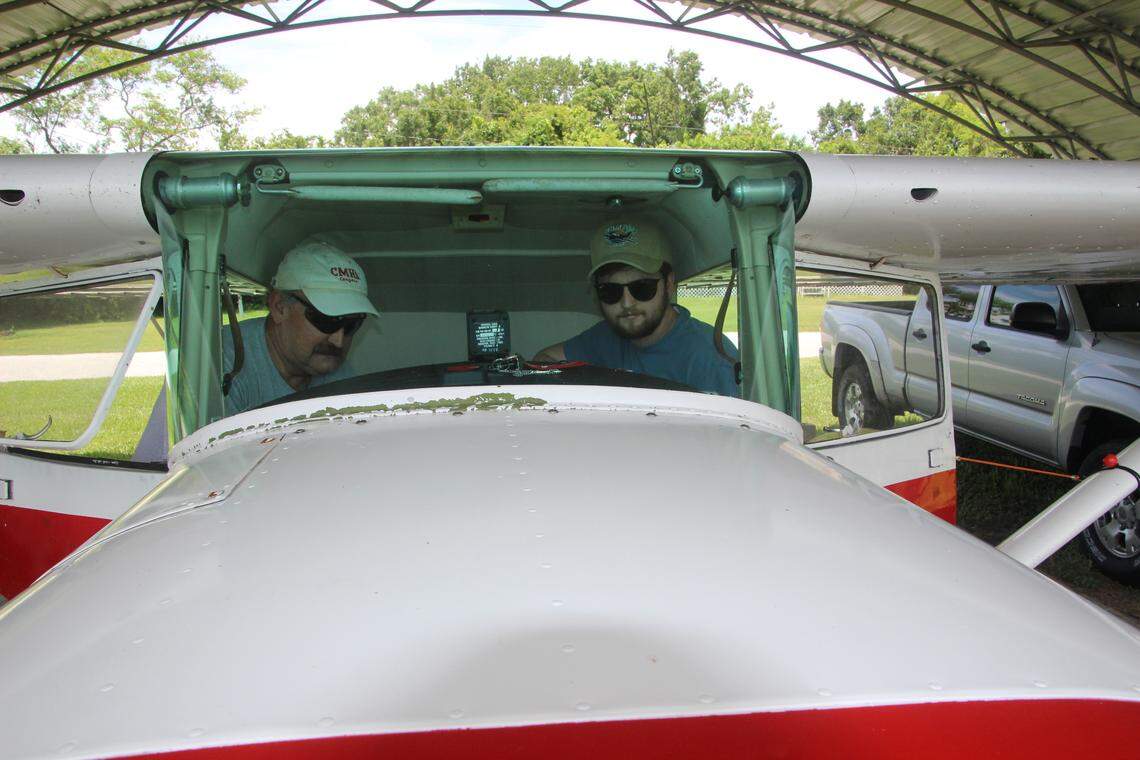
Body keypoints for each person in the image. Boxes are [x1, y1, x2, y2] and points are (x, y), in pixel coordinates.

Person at [535, 217, 739, 397]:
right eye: (610, 291)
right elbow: (544, 360)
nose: (626, 303)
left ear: (668, 283)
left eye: (642, 288)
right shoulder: (605, 338)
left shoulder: (710, 360)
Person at [222, 241, 379, 414]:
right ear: (279, 307)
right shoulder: (225, 366)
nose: (338, 341)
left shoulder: (336, 370)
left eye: (352, 324)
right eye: (326, 320)